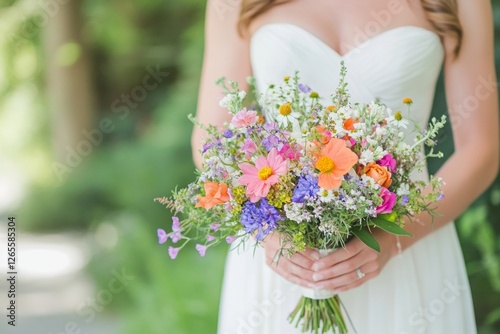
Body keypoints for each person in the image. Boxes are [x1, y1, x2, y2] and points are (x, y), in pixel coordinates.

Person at [191, 0, 499, 333]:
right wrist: (268, 230)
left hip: (409, 245)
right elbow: (212, 141)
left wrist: (392, 242)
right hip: (282, 258)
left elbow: (481, 148)